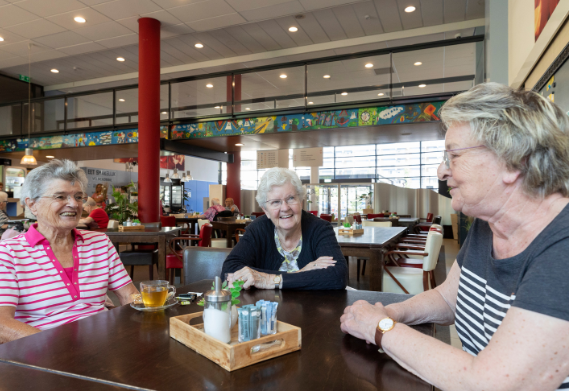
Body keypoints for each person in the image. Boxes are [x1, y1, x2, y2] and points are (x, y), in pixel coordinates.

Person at [340, 83, 569, 390]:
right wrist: (394, 312)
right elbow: (450, 298)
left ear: (513, 161)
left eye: (453, 156)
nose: (440, 171)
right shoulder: (490, 223)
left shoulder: (562, 249)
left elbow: (490, 383)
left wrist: (380, 327)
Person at [0, 159, 138, 344]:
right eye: (60, 197)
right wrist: (60, 348)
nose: (74, 204)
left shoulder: (99, 242)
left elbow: (130, 295)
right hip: (44, 352)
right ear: (32, 205)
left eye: (78, 197)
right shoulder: (9, 252)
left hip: (102, 345)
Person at [222, 167, 347, 290]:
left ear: (301, 201)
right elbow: (229, 271)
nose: (285, 208)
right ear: (266, 210)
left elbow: (338, 276)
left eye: (291, 198)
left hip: (310, 308)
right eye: (275, 202)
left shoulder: (319, 228)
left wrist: (269, 280)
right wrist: (301, 273)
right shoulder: (257, 230)